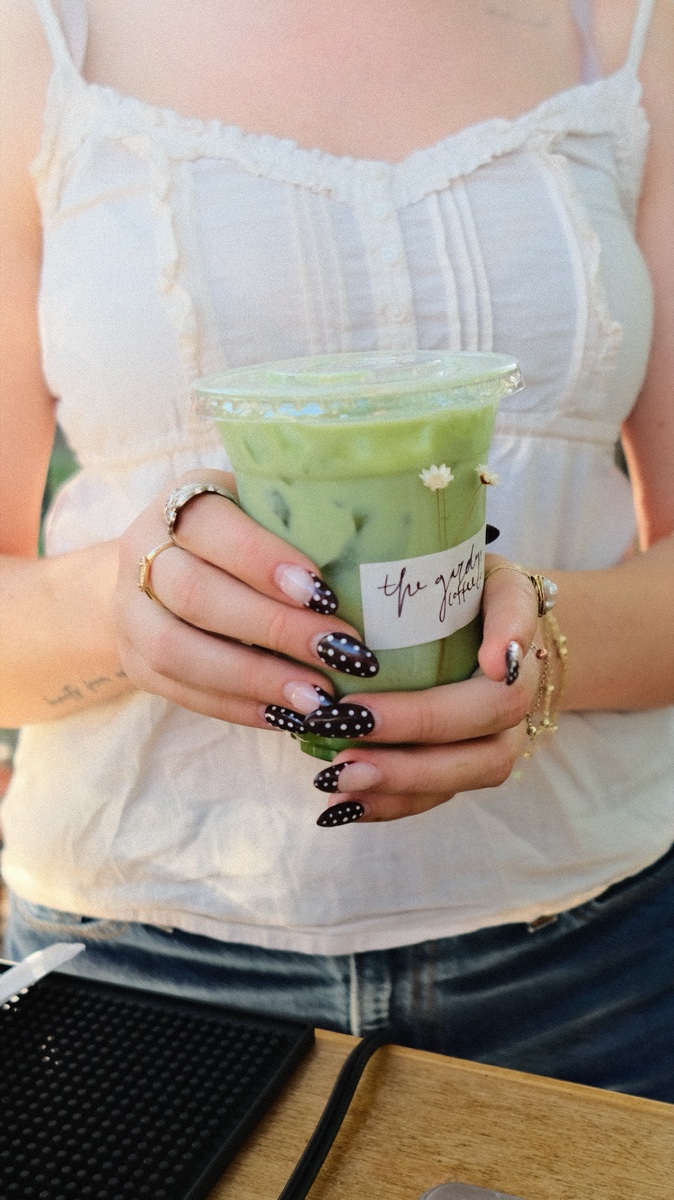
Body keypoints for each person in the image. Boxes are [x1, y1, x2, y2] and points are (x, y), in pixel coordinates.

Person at [1, 0, 673, 1103]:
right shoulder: (35, 38)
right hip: (133, 959)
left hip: (593, 957)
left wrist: (542, 647)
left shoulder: (623, 31)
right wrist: (118, 611)